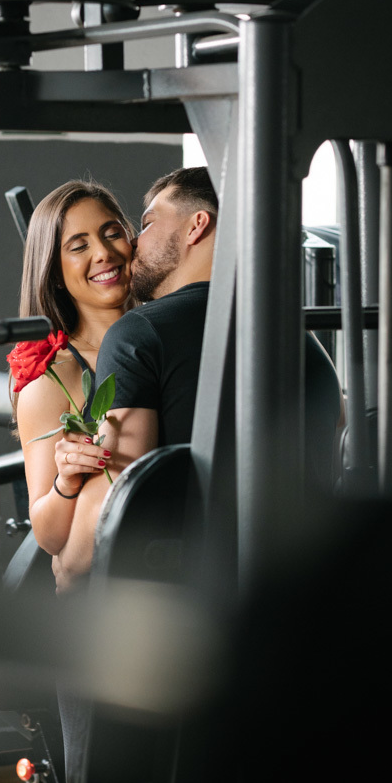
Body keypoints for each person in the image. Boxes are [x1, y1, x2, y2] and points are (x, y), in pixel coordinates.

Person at [51, 166, 344, 594]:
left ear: (196, 226)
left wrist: (68, 568)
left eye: (148, 223)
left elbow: (111, 502)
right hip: (297, 601)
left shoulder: (140, 332)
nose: (134, 243)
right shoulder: (305, 344)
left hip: (187, 611)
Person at [12, 179, 135, 557]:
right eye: (79, 247)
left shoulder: (170, 336)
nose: (103, 253)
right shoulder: (53, 380)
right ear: (55, 273)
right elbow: (47, 536)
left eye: (112, 233)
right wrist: (66, 480)